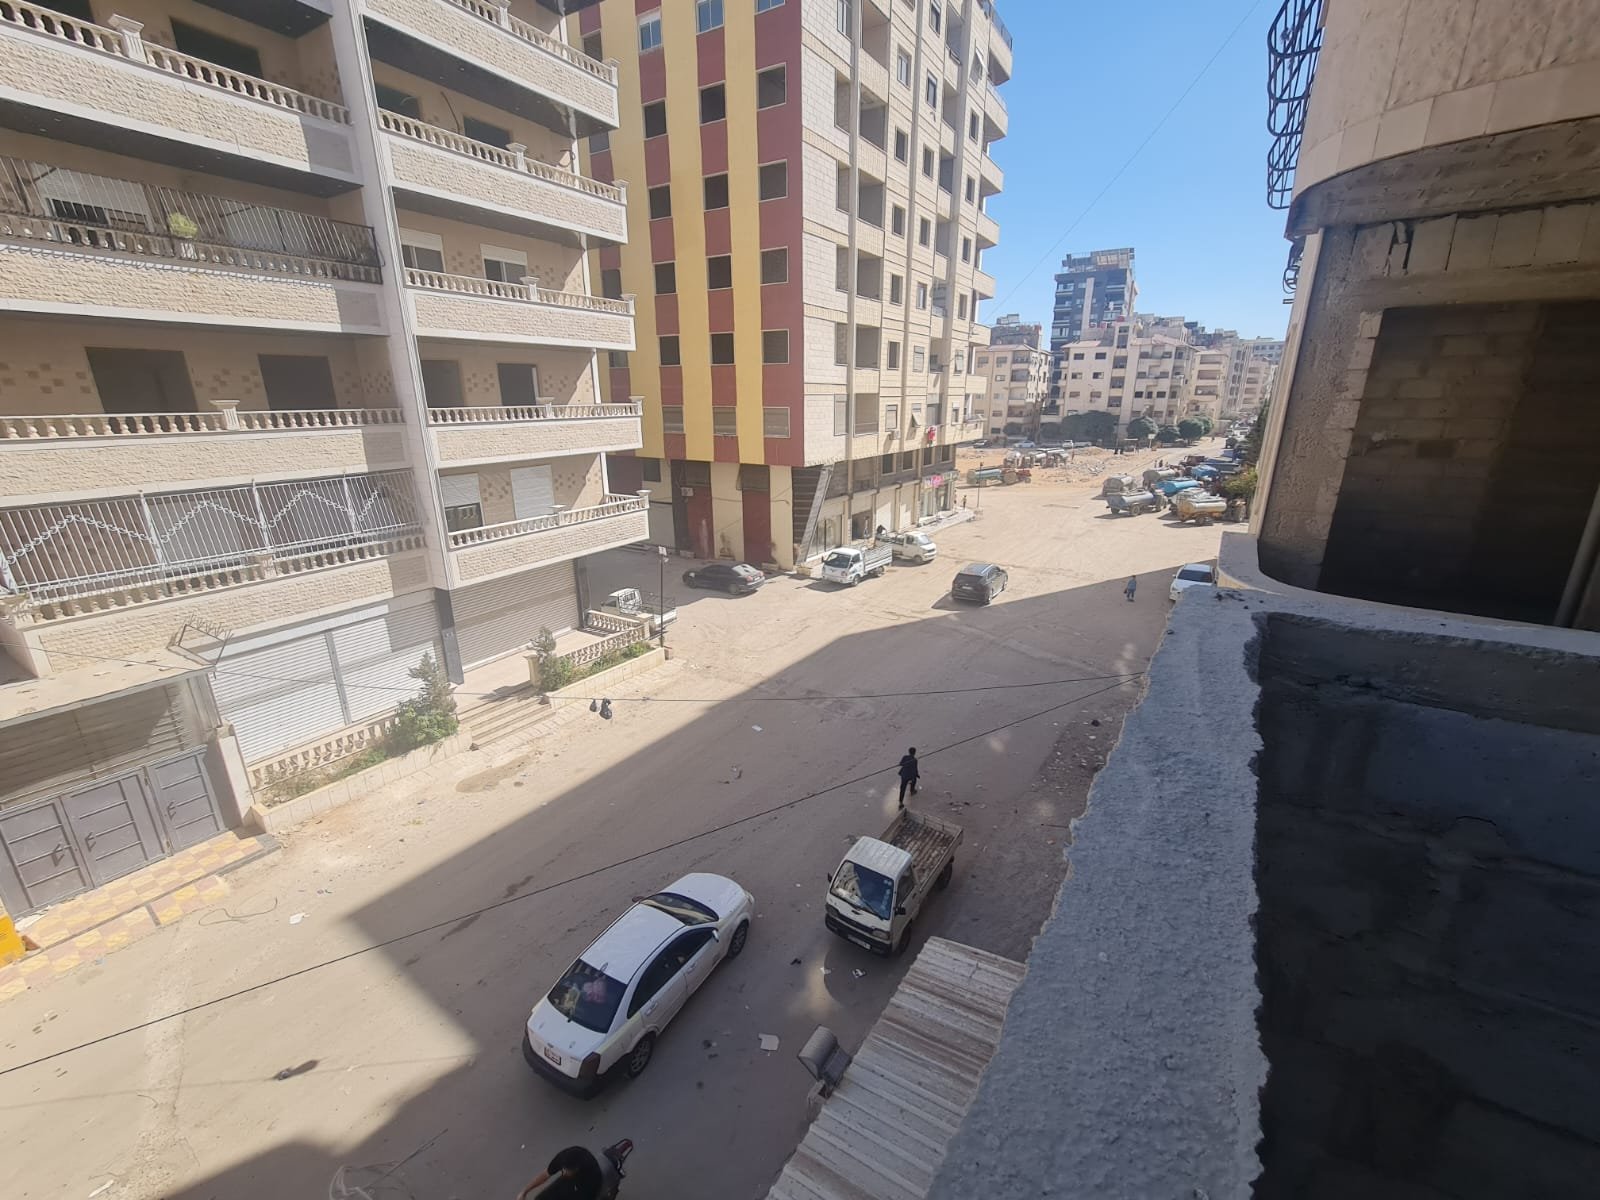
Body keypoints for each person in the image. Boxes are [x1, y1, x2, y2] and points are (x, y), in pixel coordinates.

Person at [518, 1146, 603, 1200]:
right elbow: (545, 1175)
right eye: (563, 1170)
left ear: (576, 1169)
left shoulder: (592, 1174)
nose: (564, 1173)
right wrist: (525, 1191)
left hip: (585, 1188)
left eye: (567, 1171)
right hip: (570, 1181)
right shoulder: (563, 1157)